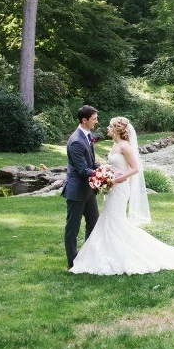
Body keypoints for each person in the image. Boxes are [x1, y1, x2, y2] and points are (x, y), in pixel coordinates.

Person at [70, 116, 174, 275]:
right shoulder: (115, 145)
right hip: (113, 188)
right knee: (108, 219)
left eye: (109, 126)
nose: (107, 128)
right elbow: (116, 165)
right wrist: (104, 172)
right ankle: (107, 254)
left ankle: (129, 254)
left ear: (117, 129)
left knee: (116, 220)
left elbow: (135, 168)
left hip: (120, 189)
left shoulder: (125, 146)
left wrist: (116, 179)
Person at [62, 105, 101, 270]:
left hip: (89, 190)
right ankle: (72, 261)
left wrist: (101, 167)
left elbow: (90, 162)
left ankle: (87, 255)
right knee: (72, 228)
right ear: (84, 120)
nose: (96, 122)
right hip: (77, 190)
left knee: (94, 223)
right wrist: (102, 175)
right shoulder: (76, 141)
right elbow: (82, 170)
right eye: (94, 119)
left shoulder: (87, 135)